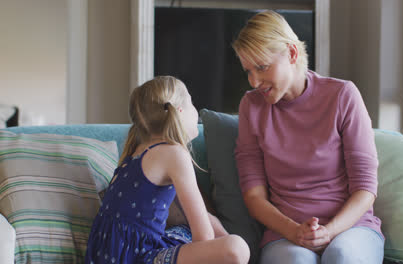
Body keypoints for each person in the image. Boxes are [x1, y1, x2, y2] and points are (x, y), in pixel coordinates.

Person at [232, 11, 384, 264]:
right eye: (248, 70)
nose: (254, 81)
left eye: (262, 67)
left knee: (342, 255)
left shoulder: (342, 95)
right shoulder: (251, 106)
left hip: (352, 228)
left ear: (292, 54)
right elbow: (254, 197)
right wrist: (294, 231)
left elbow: (366, 188)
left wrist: (330, 231)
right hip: (285, 234)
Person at [85, 76, 250, 264]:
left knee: (199, 226)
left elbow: (202, 218)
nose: (196, 112)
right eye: (192, 104)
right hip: (136, 257)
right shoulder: (174, 154)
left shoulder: (136, 151)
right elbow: (203, 236)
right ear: (179, 111)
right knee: (236, 248)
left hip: (111, 255)